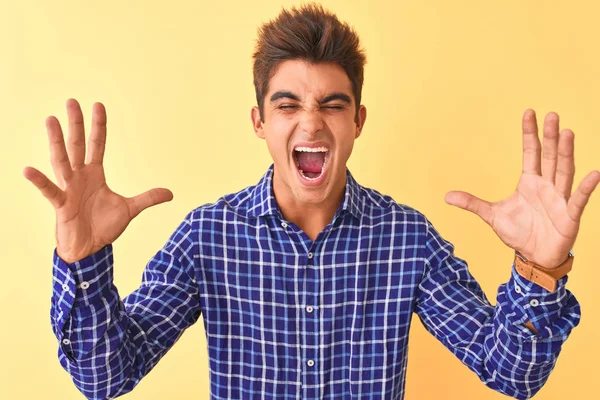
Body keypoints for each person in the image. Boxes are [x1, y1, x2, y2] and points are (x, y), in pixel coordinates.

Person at [23, 3, 599, 400]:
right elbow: (106, 378)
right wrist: (84, 263)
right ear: (260, 122)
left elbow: (510, 373)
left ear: (358, 121)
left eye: (332, 104)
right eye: (288, 105)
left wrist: (539, 269)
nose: (311, 122)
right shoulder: (207, 237)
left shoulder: (407, 240)